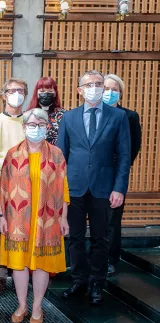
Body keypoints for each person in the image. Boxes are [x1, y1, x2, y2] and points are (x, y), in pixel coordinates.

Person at [57, 70, 131, 305]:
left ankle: (97, 283)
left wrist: (119, 188)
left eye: (99, 84)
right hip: (75, 188)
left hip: (104, 188)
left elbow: (124, 156)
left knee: (101, 238)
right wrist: (61, 190)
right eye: (89, 84)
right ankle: (79, 280)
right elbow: (61, 156)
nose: (95, 88)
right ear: (80, 90)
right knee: (75, 237)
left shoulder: (118, 117)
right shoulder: (69, 118)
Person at [0, 108, 70, 323]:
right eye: (31, 124)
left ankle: (37, 308)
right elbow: (3, 187)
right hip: (17, 218)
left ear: (47, 127)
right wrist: (2, 216)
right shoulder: (12, 154)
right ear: (23, 127)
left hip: (47, 220)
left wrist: (64, 217)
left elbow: (63, 188)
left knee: (41, 264)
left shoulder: (57, 154)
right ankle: (22, 305)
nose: (36, 128)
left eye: (40, 124)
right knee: (19, 264)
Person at [0, 78, 27, 295]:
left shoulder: (31, 122)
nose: (16, 94)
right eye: (11, 90)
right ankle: (0, 276)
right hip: (0, 184)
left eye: (20, 90)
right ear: (3, 95)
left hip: (28, 186)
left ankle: (23, 271)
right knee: (1, 231)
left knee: (26, 230)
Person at [103, 74, 142, 277]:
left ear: (120, 93)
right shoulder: (93, 114)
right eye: (106, 88)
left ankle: (110, 259)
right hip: (93, 176)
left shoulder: (129, 116)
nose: (109, 92)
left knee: (111, 220)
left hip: (115, 176)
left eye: (114, 89)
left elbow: (132, 149)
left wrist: (119, 175)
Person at [28, 77, 66, 145]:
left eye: (50, 91)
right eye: (42, 91)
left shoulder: (64, 115)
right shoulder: (28, 114)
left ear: (55, 93)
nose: (46, 94)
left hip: (56, 153)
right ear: (36, 93)